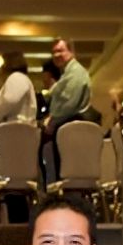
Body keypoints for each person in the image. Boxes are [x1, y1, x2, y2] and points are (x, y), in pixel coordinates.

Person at [0, 51, 37, 223]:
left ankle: (18, 222)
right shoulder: (22, 80)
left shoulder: (17, 78)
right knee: (16, 185)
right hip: (18, 138)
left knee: (13, 182)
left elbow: (9, 100)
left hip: (15, 139)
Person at [42, 37, 92, 185]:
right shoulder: (67, 74)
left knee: (66, 178)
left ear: (71, 51)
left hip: (69, 129)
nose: (57, 55)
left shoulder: (75, 73)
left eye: (61, 50)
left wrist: (52, 121)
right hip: (66, 128)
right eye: (54, 52)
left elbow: (68, 105)